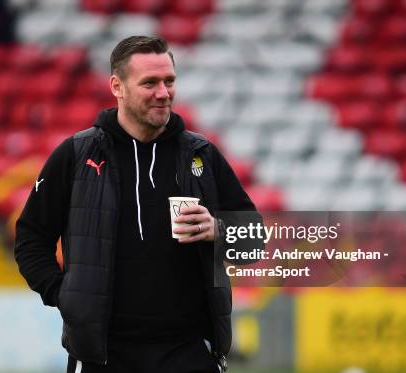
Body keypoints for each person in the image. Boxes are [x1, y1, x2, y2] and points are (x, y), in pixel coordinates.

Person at [14, 35, 259, 373]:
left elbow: (253, 240)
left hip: (188, 351)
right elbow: (30, 239)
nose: (164, 93)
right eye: (150, 83)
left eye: (169, 81)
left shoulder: (201, 155)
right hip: (103, 354)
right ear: (118, 86)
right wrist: (65, 295)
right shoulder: (76, 154)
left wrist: (217, 230)